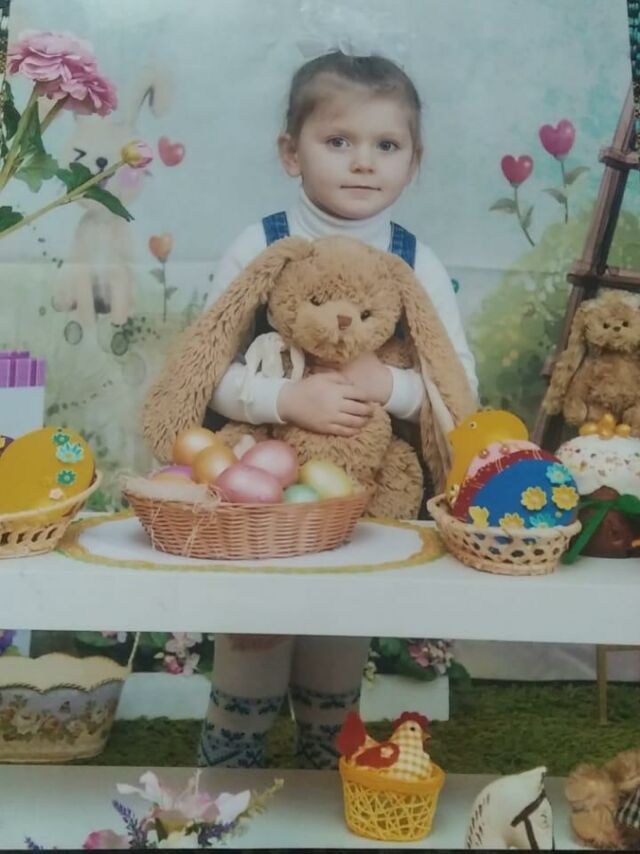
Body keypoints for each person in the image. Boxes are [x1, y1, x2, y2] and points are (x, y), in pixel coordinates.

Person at [198, 48, 479, 771]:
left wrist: (388, 387)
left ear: (414, 161)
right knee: (255, 622)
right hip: (263, 487)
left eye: (386, 145)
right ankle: (233, 751)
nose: (362, 162)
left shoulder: (416, 262)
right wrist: (284, 397)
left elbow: (456, 388)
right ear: (291, 153)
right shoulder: (261, 246)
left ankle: (327, 750)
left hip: (364, 485)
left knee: (341, 621)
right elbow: (206, 369)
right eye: (338, 141)